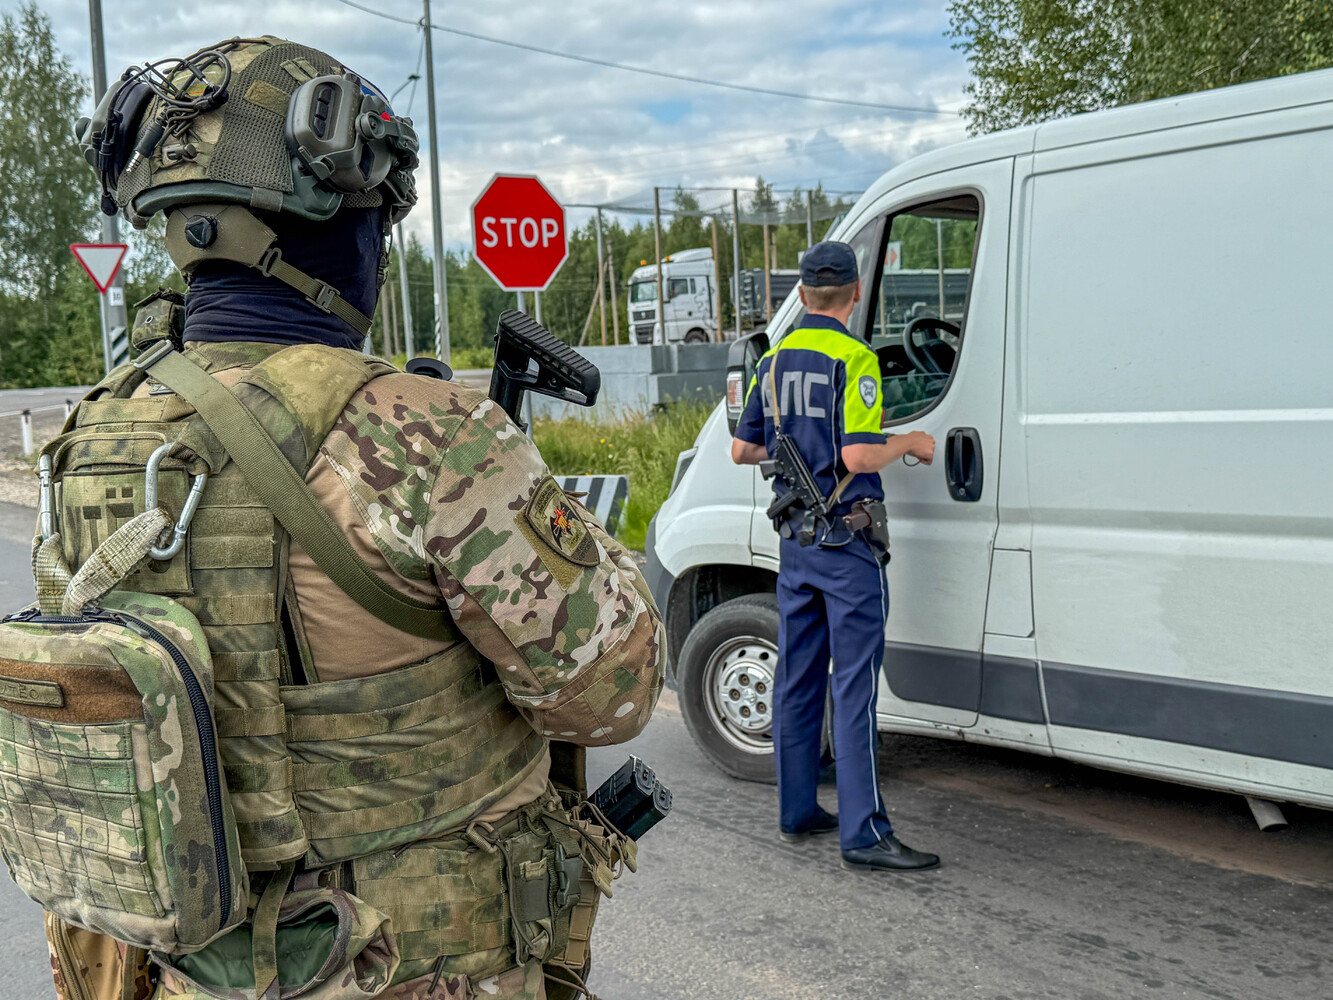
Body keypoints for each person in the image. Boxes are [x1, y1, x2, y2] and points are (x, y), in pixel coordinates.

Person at [29, 35, 664, 1000]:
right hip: (408, 964)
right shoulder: (429, 436)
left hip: (181, 971)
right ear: (337, 227)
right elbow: (609, 696)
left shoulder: (90, 433)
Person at [730, 241, 940, 872]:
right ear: (854, 295)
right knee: (852, 689)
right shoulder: (856, 358)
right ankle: (865, 834)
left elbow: (742, 451)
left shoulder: (774, 362)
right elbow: (858, 457)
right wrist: (911, 441)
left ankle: (798, 810)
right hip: (847, 547)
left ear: (800, 295)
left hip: (795, 546)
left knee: (796, 677)